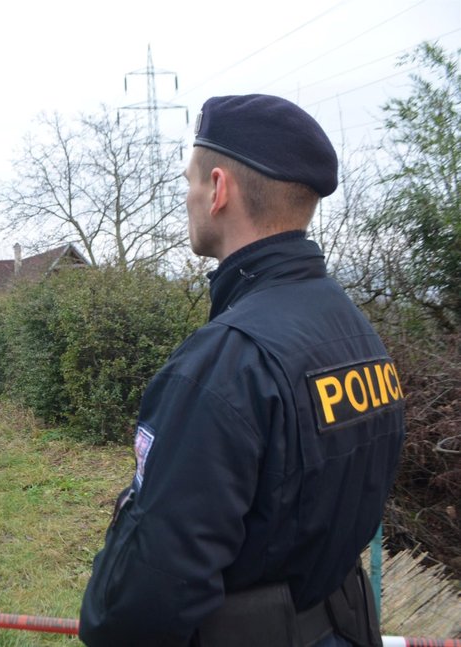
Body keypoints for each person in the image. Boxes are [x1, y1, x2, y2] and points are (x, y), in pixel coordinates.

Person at [79, 94, 405, 647]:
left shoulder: (223, 364)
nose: (186, 196)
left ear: (219, 190)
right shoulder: (355, 330)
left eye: (190, 181)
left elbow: (151, 595)